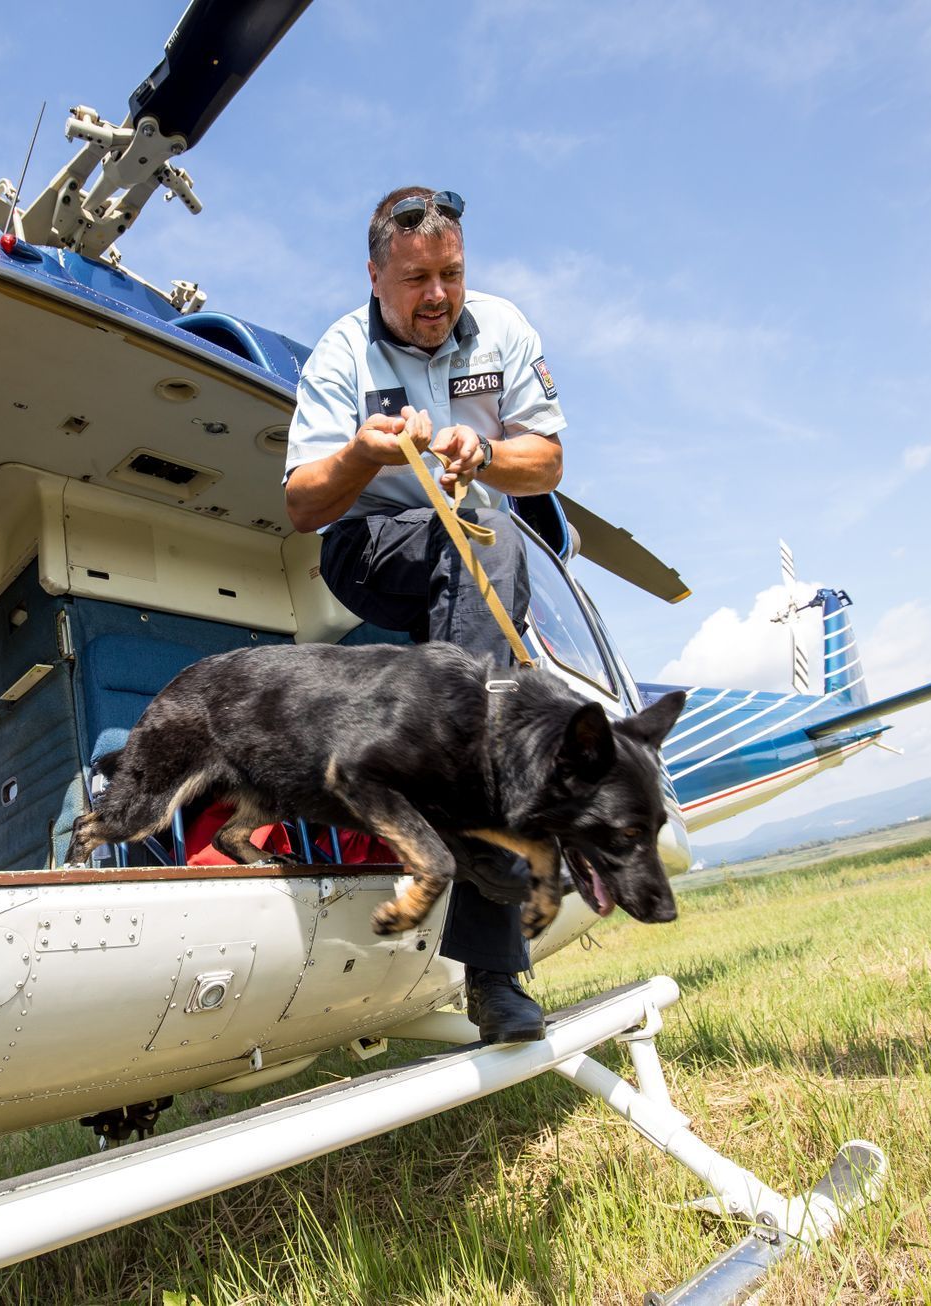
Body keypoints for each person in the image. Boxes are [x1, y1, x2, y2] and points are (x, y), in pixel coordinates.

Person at [284, 185, 568, 1043]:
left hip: (472, 546)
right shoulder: (339, 355)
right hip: (372, 548)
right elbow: (302, 506)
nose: (437, 295)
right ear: (376, 277)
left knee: (492, 561)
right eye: (415, 280)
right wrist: (363, 457)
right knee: (490, 550)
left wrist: (486, 452)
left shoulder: (506, 329)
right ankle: (485, 840)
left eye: (450, 273)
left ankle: (492, 972)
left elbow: (547, 461)